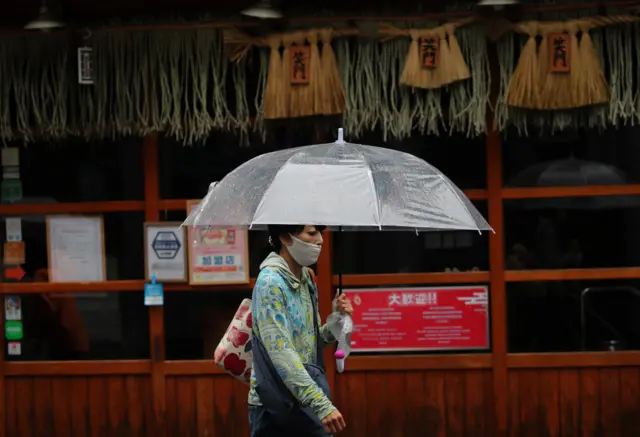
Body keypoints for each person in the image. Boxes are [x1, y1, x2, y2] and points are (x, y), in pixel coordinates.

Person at [249, 224, 354, 437]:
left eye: (320, 233)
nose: (320, 240)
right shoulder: (270, 283)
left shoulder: (306, 278)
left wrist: (338, 320)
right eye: (311, 233)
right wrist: (321, 404)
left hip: (303, 398)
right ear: (285, 238)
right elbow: (281, 352)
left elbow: (312, 342)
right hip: (275, 402)